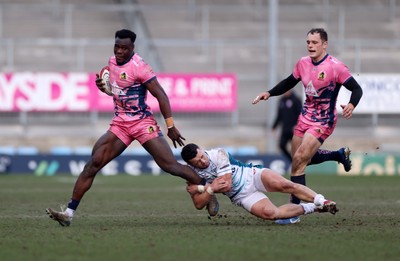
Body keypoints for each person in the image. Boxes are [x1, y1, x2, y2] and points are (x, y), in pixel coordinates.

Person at [46, 29, 218, 226]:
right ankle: (68, 213)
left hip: (142, 123)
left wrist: (170, 125)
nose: (119, 51)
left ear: (132, 48)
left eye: (124, 48)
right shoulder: (111, 63)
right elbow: (118, 88)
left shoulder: (140, 67)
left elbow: (161, 95)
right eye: (117, 46)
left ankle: (208, 189)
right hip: (120, 124)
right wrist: (105, 88)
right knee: (92, 164)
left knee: (170, 166)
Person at [252, 28, 362, 224]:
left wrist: (352, 104)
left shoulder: (335, 67)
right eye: (308, 42)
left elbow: (356, 88)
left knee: (299, 161)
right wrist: (269, 93)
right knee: (300, 160)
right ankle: (338, 155)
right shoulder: (302, 63)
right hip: (304, 118)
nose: (310, 45)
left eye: (314, 42)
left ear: (324, 44)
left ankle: (294, 212)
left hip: (323, 120)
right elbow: (289, 82)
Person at [181, 143, 338, 223]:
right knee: (272, 214)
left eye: (202, 156)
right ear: (191, 164)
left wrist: (203, 188)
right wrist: (210, 190)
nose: (203, 161)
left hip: (252, 175)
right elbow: (198, 204)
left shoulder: (218, 154)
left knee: (286, 185)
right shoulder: (191, 173)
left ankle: (322, 200)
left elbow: (226, 185)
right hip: (241, 196)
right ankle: (315, 207)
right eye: (198, 162)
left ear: (202, 149)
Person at [271, 90, 302, 161]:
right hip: (285, 129)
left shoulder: (296, 100)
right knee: (282, 145)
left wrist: (297, 125)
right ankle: (292, 161)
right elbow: (279, 116)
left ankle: (299, 163)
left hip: (294, 130)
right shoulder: (281, 101)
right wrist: (274, 127)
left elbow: (301, 114)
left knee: (295, 148)